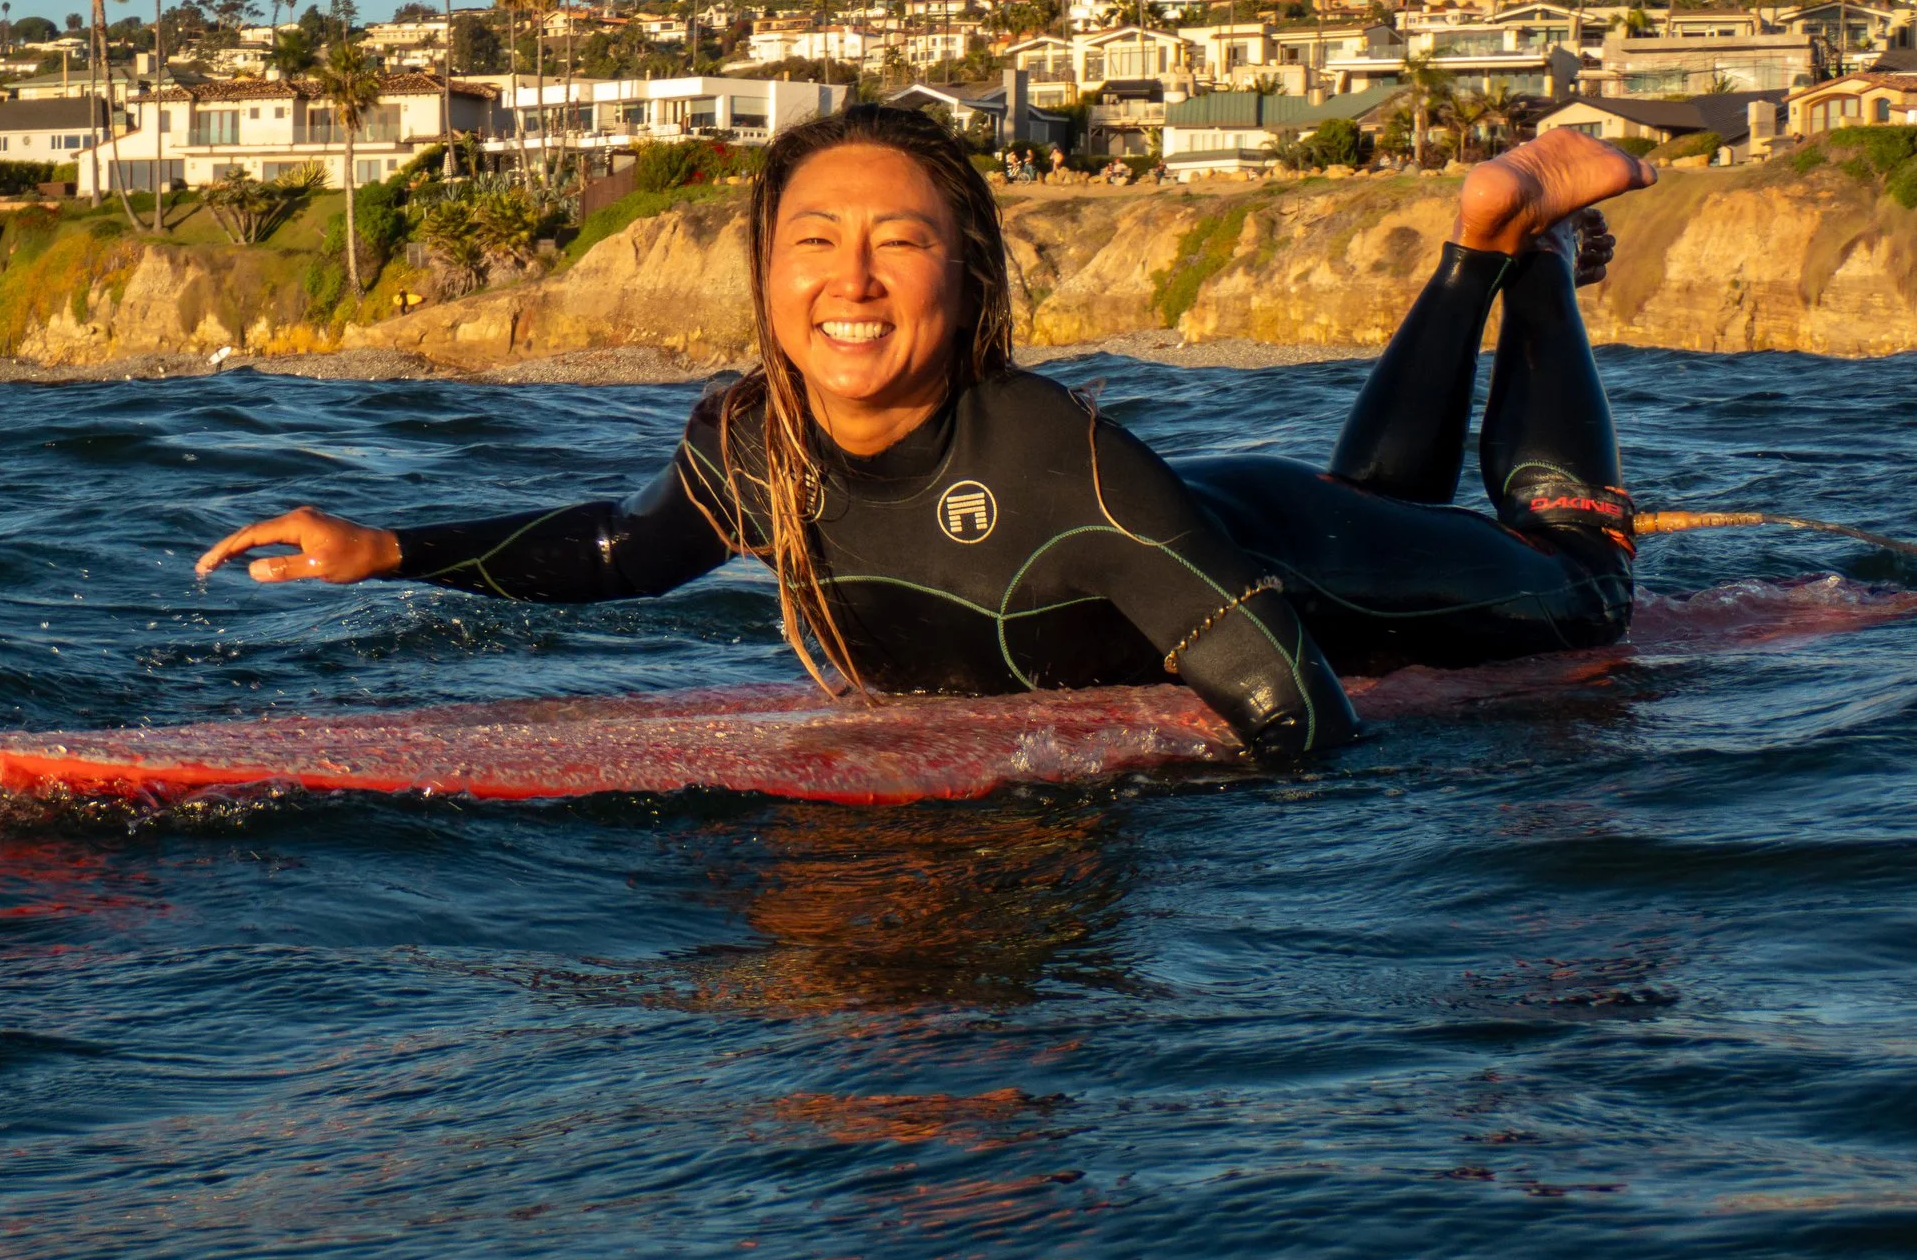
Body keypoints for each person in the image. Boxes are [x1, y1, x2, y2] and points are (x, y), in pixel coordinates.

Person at [198, 107, 1655, 764]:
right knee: (1355, 498)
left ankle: (1527, 253)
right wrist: (384, 547)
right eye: (813, 239)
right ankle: (1481, 239)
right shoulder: (744, 440)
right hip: (1243, 526)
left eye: (899, 241)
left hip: (1296, 571)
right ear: (765, 277)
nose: (850, 279)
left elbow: (1297, 701)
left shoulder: (1052, 455)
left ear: (968, 289)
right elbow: (616, 549)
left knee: (1579, 573)